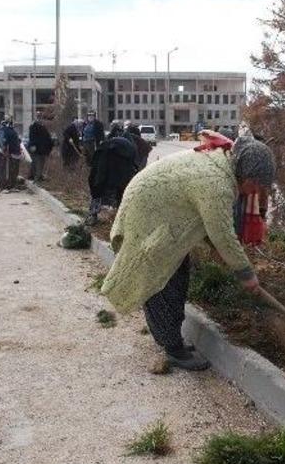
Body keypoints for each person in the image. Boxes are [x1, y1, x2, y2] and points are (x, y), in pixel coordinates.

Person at [101, 130, 275, 371]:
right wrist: (246, 274)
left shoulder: (221, 166)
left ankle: (167, 337)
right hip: (149, 216)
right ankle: (173, 348)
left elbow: (210, 224)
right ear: (245, 171)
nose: (255, 191)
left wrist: (224, 253)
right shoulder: (216, 183)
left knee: (173, 275)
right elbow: (222, 234)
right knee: (164, 280)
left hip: (157, 210)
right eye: (255, 183)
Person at [86, 132, 138, 224]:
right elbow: (133, 166)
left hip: (107, 163)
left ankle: (93, 215)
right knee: (118, 189)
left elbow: (94, 171)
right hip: (114, 164)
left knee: (98, 185)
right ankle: (120, 216)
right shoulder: (130, 146)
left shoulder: (113, 145)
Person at [0, 116, 22, 191]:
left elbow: (15, 140)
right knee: (4, 170)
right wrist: (4, 150)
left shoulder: (12, 131)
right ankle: (3, 186)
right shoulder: (3, 130)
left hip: (14, 153)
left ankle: (11, 186)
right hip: (6, 154)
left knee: (13, 171)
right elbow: (1, 141)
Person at [27, 111, 53, 182]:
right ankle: (36, 178)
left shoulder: (42, 127)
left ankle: (36, 176)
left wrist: (51, 145)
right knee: (37, 163)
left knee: (39, 163)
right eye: (38, 116)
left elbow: (47, 138)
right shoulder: (33, 126)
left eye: (40, 116)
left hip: (42, 149)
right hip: (36, 149)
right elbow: (32, 137)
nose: (39, 118)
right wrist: (32, 145)